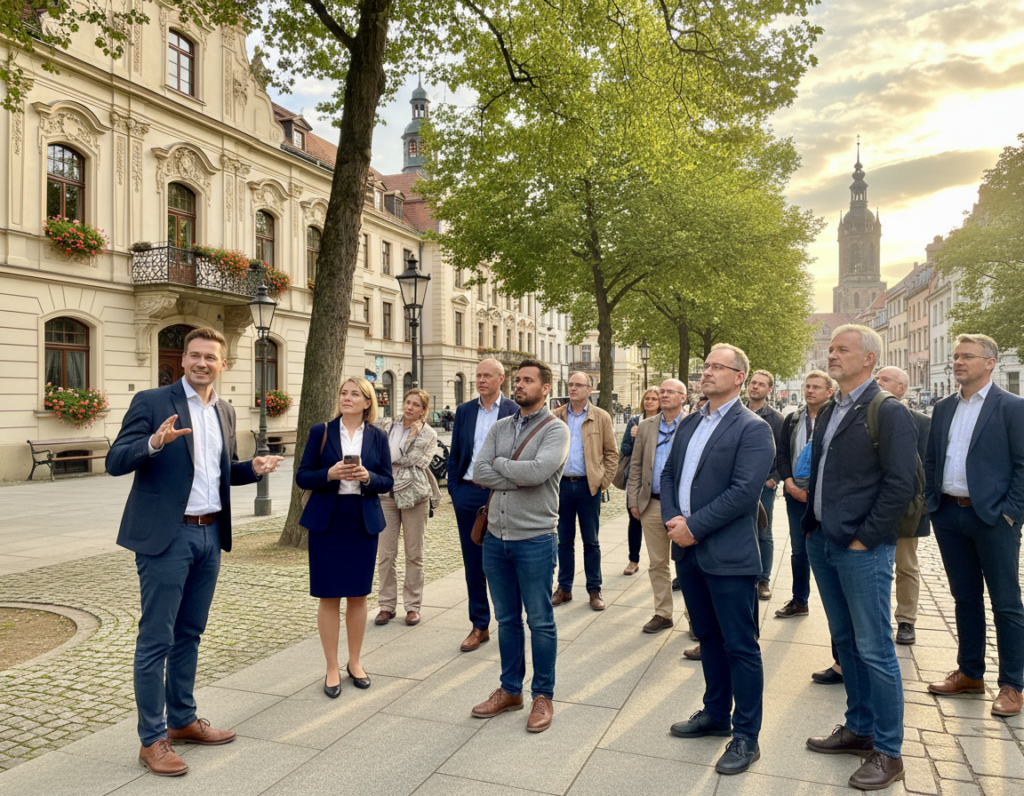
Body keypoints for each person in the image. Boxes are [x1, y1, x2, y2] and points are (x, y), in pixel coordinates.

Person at [106, 327, 283, 776]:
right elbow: (115, 460)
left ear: (223, 364)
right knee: (156, 639)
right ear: (183, 360)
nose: (202, 363)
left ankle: (182, 720)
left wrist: (251, 468)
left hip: (209, 536)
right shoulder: (153, 402)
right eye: (195, 356)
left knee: (190, 634)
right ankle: (152, 739)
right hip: (167, 538)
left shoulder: (223, 409)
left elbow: (218, 473)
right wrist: (154, 443)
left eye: (211, 358)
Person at [802, 325, 916, 791]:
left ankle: (888, 752)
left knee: (874, 649)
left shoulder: (886, 411)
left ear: (868, 359)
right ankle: (859, 727)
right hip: (824, 541)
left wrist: (865, 538)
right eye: (830, 349)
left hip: (860, 549)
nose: (832, 355)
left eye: (841, 350)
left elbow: (899, 485)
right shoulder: (832, 406)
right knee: (845, 642)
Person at [661, 343, 775, 776]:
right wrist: (673, 517)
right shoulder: (691, 422)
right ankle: (715, 713)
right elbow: (669, 473)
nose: (705, 372)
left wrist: (694, 526)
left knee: (740, 646)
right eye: (705, 365)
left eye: (716, 367)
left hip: (727, 554)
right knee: (706, 636)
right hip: (688, 551)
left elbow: (744, 493)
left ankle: (747, 736)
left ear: (739, 377)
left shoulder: (753, 428)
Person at [925, 333, 1024, 718]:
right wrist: (934, 503)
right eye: (956, 356)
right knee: (964, 597)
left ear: (989, 363)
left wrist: (1010, 512)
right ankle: (970, 673)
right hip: (949, 514)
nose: (958, 362)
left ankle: (1012, 685)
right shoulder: (943, 407)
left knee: (1006, 603)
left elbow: (1022, 465)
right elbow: (932, 458)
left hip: (993, 518)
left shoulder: (1012, 407)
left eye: (967, 356)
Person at [470, 359, 570, 733]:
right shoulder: (499, 427)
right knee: (507, 620)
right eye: (517, 380)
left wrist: (501, 468)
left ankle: (543, 694)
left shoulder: (556, 430)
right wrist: (513, 471)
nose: (520, 385)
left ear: (545, 388)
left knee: (540, 620)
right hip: (496, 538)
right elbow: (478, 470)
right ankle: (511, 690)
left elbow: (538, 472)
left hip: (536, 539)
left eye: (528, 380)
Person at [296, 378, 394, 699]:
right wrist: (329, 474)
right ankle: (330, 667)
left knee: (357, 595)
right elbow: (302, 475)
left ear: (368, 402)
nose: (347, 398)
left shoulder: (378, 436)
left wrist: (368, 477)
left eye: (355, 394)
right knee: (328, 596)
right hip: (328, 520)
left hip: (361, 521)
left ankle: (354, 662)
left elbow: (387, 481)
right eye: (343, 393)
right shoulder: (321, 431)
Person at [447, 360, 519, 651]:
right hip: (468, 494)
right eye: (477, 375)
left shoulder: (514, 410)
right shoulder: (465, 411)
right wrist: (455, 491)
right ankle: (479, 625)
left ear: (501, 379)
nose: (480, 380)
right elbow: (456, 454)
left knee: (506, 559)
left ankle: (511, 622)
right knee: (473, 563)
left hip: (501, 495)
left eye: (487, 375)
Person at [551, 372, 618, 610]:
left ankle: (594, 589)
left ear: (589, 389)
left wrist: (603, 481)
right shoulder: (556, 416)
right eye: (570, 385)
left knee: (591, 541)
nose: (573, 388)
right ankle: (564, 588)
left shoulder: (600, 417)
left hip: (589, 486)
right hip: (561, 486)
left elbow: (611, 453)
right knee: (563, 540)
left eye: (578, 385)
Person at [875, 367, 931, 646]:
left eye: (884, 379)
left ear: (901, 388)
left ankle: (906, 620)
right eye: (877, 377)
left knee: (905, 566)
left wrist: (921, 504)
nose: (878, 382)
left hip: (907, 508)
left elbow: (927, 467)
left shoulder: (921, 422)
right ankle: (875, 619)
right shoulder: (867, 416)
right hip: (871, 506)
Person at [373, 388, 438, 627]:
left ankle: (412, 606)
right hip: (385, 495)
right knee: (385, 554)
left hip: (414, 497)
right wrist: (389, 464)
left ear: (423, 410)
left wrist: (388, 462)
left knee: (414, 554)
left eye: (416, 405)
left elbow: (418, 460)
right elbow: (376, 453)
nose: (410, 407)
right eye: (407, 402)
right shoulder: (387, 427)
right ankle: (386, 606)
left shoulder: (428, 433)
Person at [627, 379, 688, 634]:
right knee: (657, 563)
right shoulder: (646, 425)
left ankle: (696, 619)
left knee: (688, 565)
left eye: (669, 392)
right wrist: (633, 499)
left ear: (683, 397)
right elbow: (637, 464)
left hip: (684, 509)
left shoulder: (693, 423)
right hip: (652, 504)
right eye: (661, 391)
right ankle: (663, 613)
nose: (663, 395)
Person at [776, 370, 835, 622]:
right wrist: (789, 484)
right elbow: (782, 454)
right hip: (795, 494)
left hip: (828, 497)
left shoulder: (836, 418)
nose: (809, 390)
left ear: (829, 392)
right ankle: (800, 600)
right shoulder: (792, 419)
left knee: (831, 552)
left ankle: (837, 606)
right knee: (799, 551)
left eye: (816, 387)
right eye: (807, 386)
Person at [745, 370, 785, 601]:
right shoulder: (736, 412)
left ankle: (763, 579)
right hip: (737, 482)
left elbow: (783, 453)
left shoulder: (776, 419)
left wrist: (774, 478)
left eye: (761, 384)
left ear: (769, 390)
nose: (755, 387)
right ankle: (745, 574)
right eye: (753, 383)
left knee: (764, 530)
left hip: (764, 484)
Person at [619, 388, 661, 575]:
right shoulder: (634, 421)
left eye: (654, 399)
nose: (649, 401)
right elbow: (625, 449)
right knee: (634, 518)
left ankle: (659, 563)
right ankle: (633, 560)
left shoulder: (663, 422)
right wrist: (635, 438)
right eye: (647, 398)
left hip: (656, 476)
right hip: (636, 475)